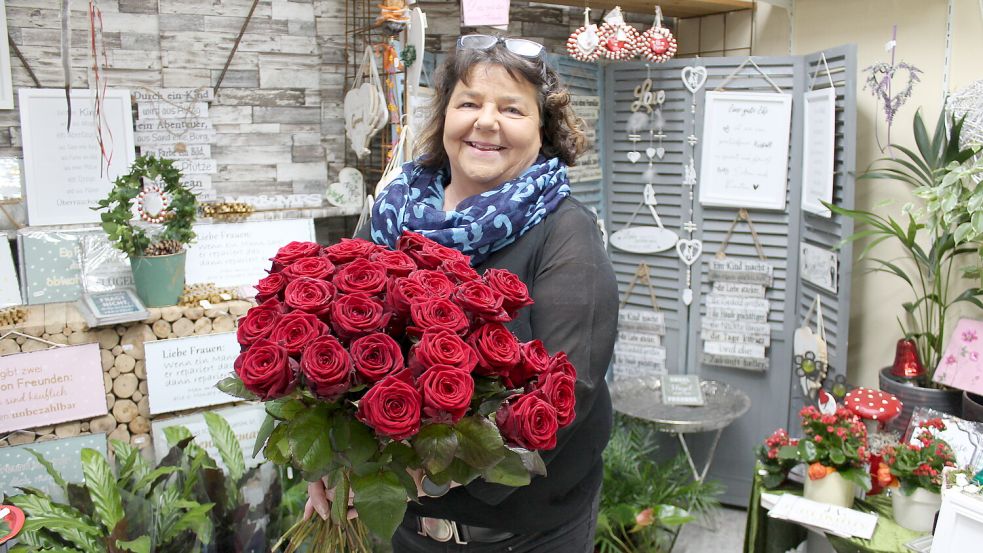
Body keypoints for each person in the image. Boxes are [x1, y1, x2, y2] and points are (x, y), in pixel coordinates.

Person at [306, 34, 619, 552]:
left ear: (544, 128)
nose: (486, 121)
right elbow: (338, 339)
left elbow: (570, 391)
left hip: (523, 536)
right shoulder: (393, 212)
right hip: (409, 533)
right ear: (445, 116)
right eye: (469, 102)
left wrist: (412, 478)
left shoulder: (567, 234)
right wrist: (330, 456)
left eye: (512, 109)